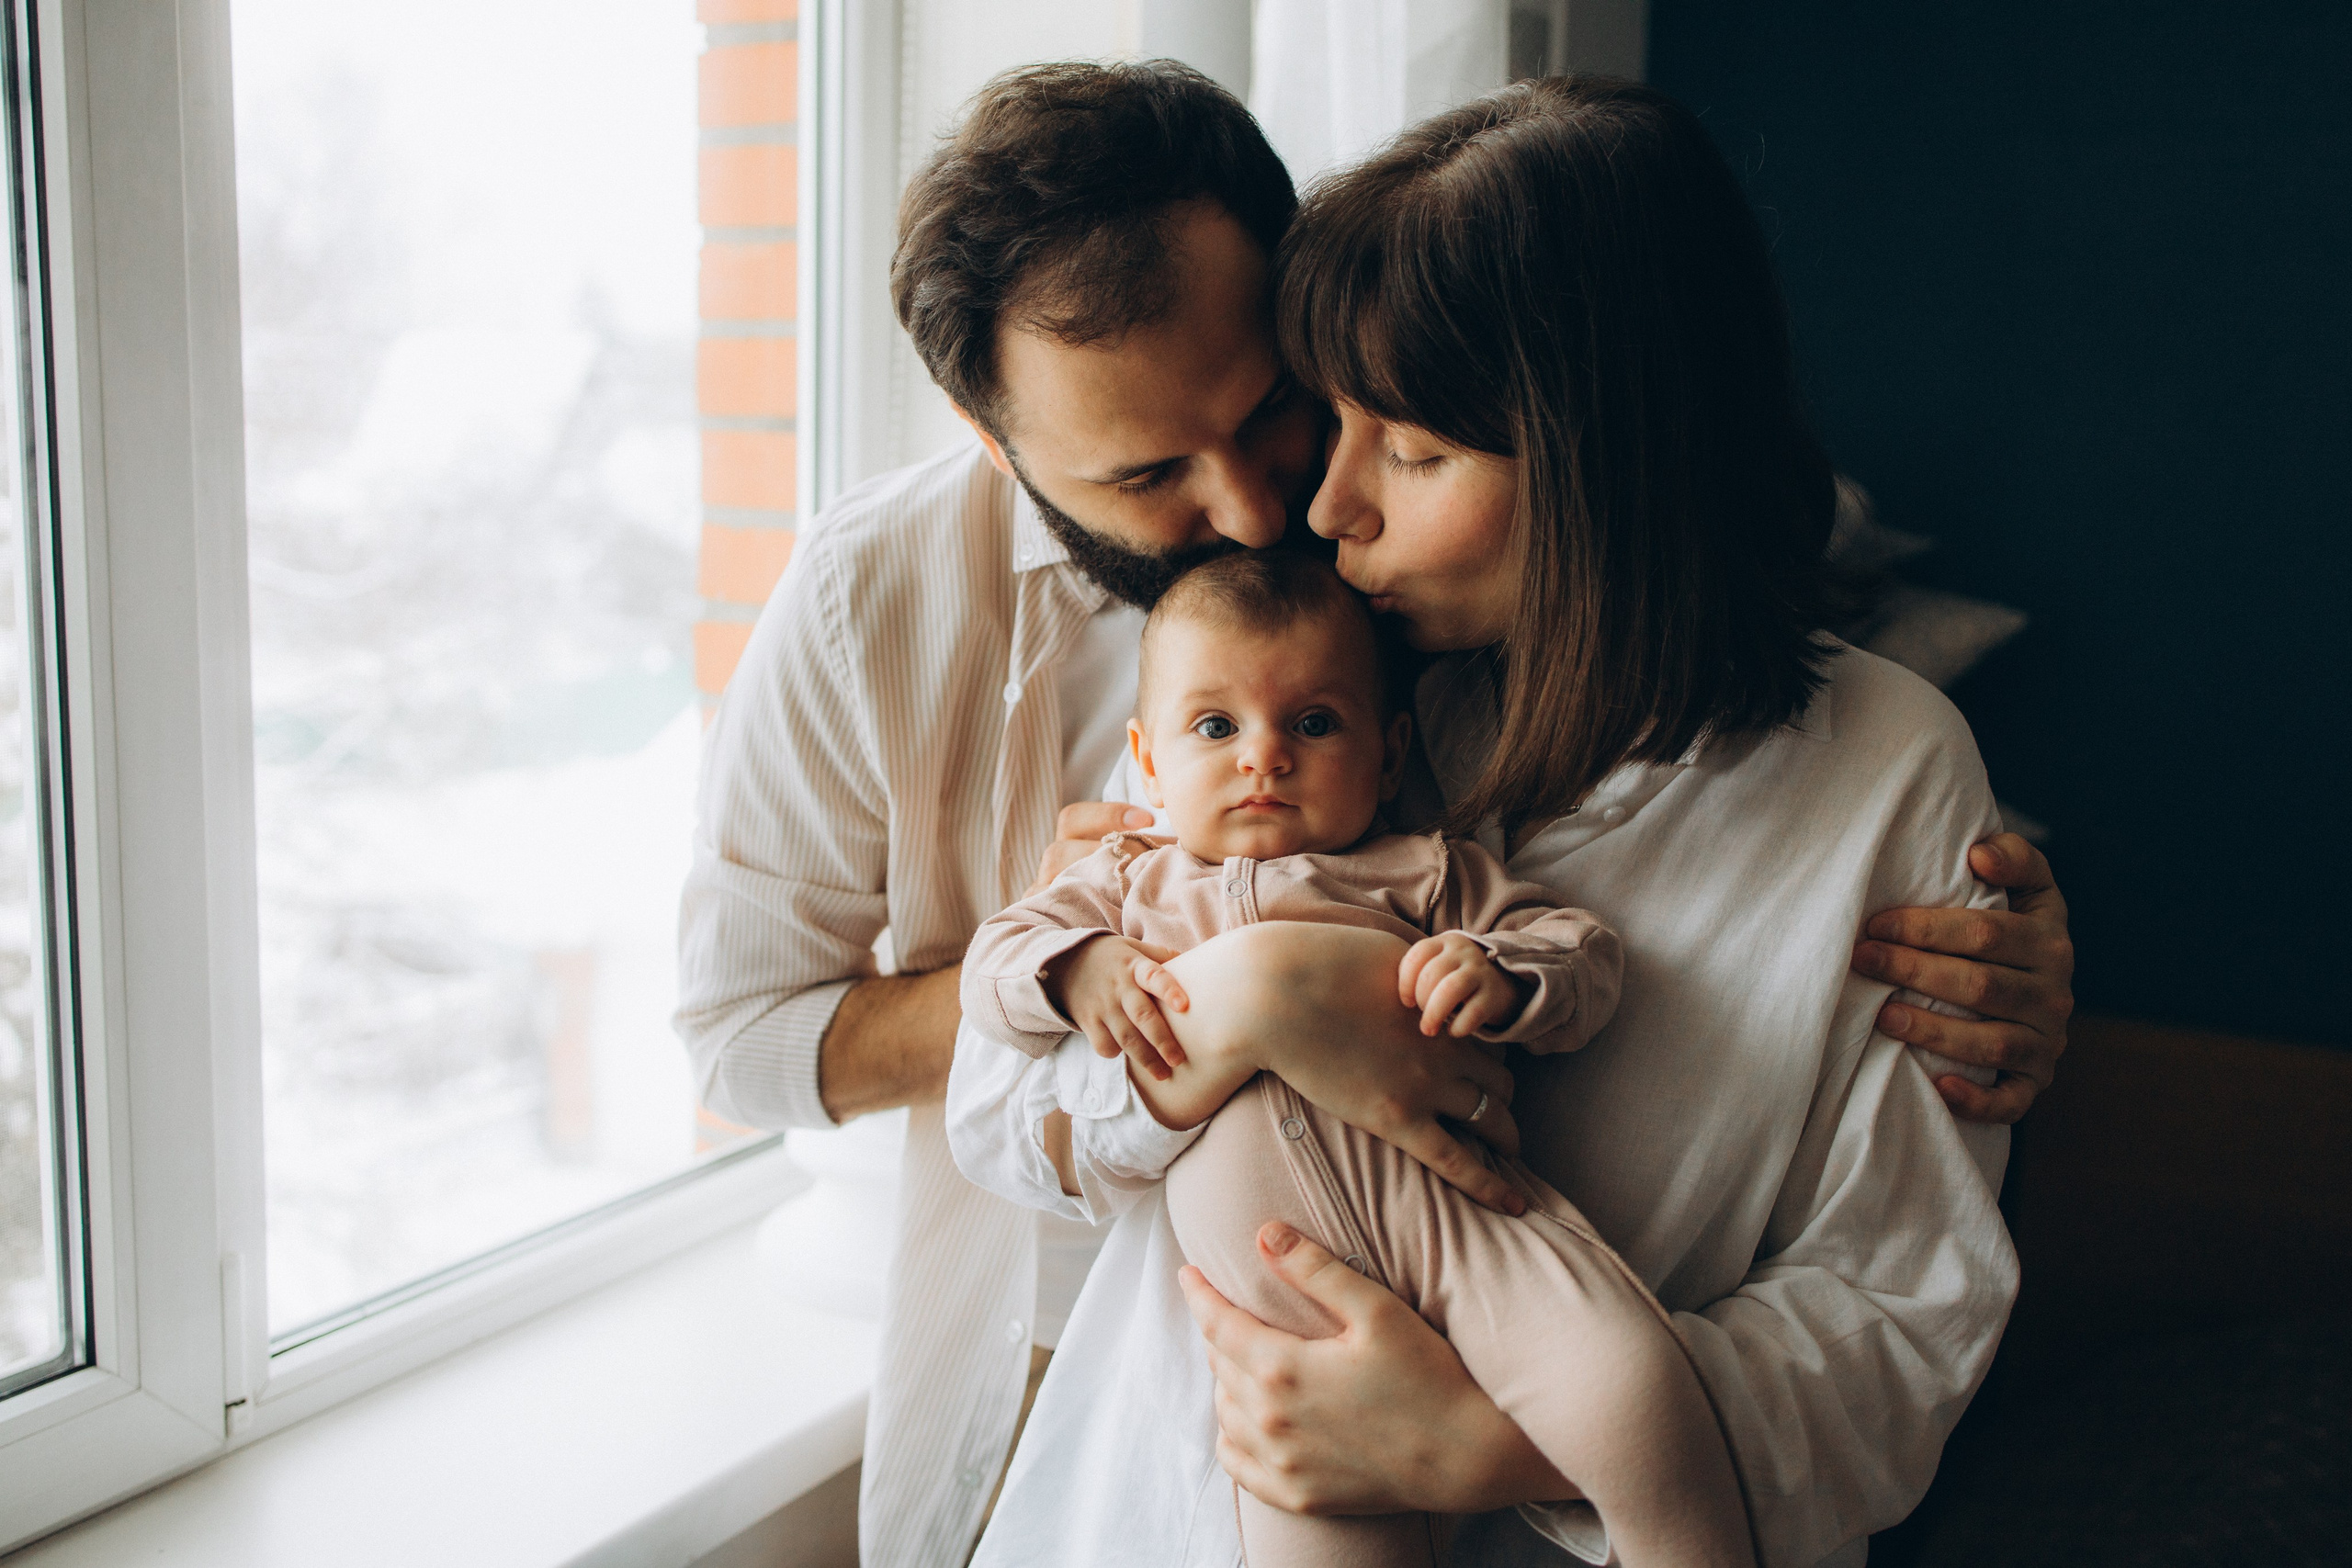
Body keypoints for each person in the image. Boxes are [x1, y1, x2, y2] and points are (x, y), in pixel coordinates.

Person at [674, 62, 2076, 1568]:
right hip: (1163, 1438)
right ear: (991, 429)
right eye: (1150, 471)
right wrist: (1228, 991)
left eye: (1315, 418)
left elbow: (1897, 1299)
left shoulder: (1413, 671)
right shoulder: (1291, 701)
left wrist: (1498, 1439)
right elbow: (912, 1078)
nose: (1290, 516)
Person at [960, 548, 1765, 1566]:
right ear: (1148, 759)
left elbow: (1585, 958)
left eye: (1313, 723)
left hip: (1465, 1231)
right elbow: (990, 974)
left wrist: (1502, 976)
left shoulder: (1427, 871)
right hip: (1279, 1322)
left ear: (1388, 759)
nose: (1264, 756)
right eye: (1216, 726)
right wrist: (1077, 967)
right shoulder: (1124, 890)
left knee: (1635, 1389)